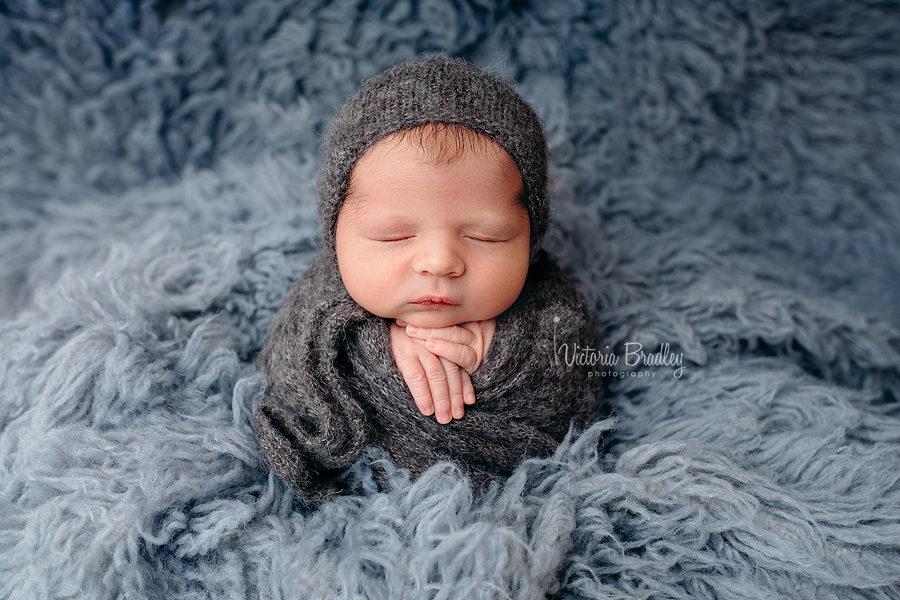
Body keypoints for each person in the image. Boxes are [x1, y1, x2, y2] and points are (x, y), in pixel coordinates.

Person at [254, 55, 603, 503]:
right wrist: (376, 350)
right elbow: (283, 375)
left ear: (530, 238)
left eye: (484, 236)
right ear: (337, 236)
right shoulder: (318, 301)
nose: (439, 262)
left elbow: (575, 392)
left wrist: (500, 360)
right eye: (393, 235)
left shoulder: (552, 308)